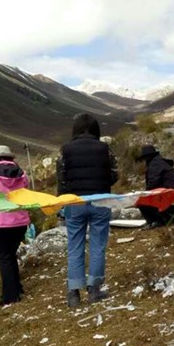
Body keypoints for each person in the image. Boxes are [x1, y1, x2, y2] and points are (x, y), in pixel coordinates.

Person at [57, 113, 118, 308]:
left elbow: (61, 178)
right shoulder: (105, 149)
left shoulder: (65, 150)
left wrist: (62, 201)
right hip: (101, 201)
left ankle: (74, 294)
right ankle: (94, 289)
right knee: (98, 245)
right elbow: (114, 175)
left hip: (74, 202)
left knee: (75, 245)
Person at [0, 145, 30, 305]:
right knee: (11, 255)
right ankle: (17, 288)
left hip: (0, 223)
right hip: (21, 221)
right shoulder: (23, 174)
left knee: (4, 258)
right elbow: (27, 194)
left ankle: (10, 296)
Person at [137, 145, 174, 229]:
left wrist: (144, 193)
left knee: (141, 201)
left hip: (168, 195)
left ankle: (155, 221)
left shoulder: (155, 165)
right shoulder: (161, 163)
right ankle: (164, 218)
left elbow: (153, 183)